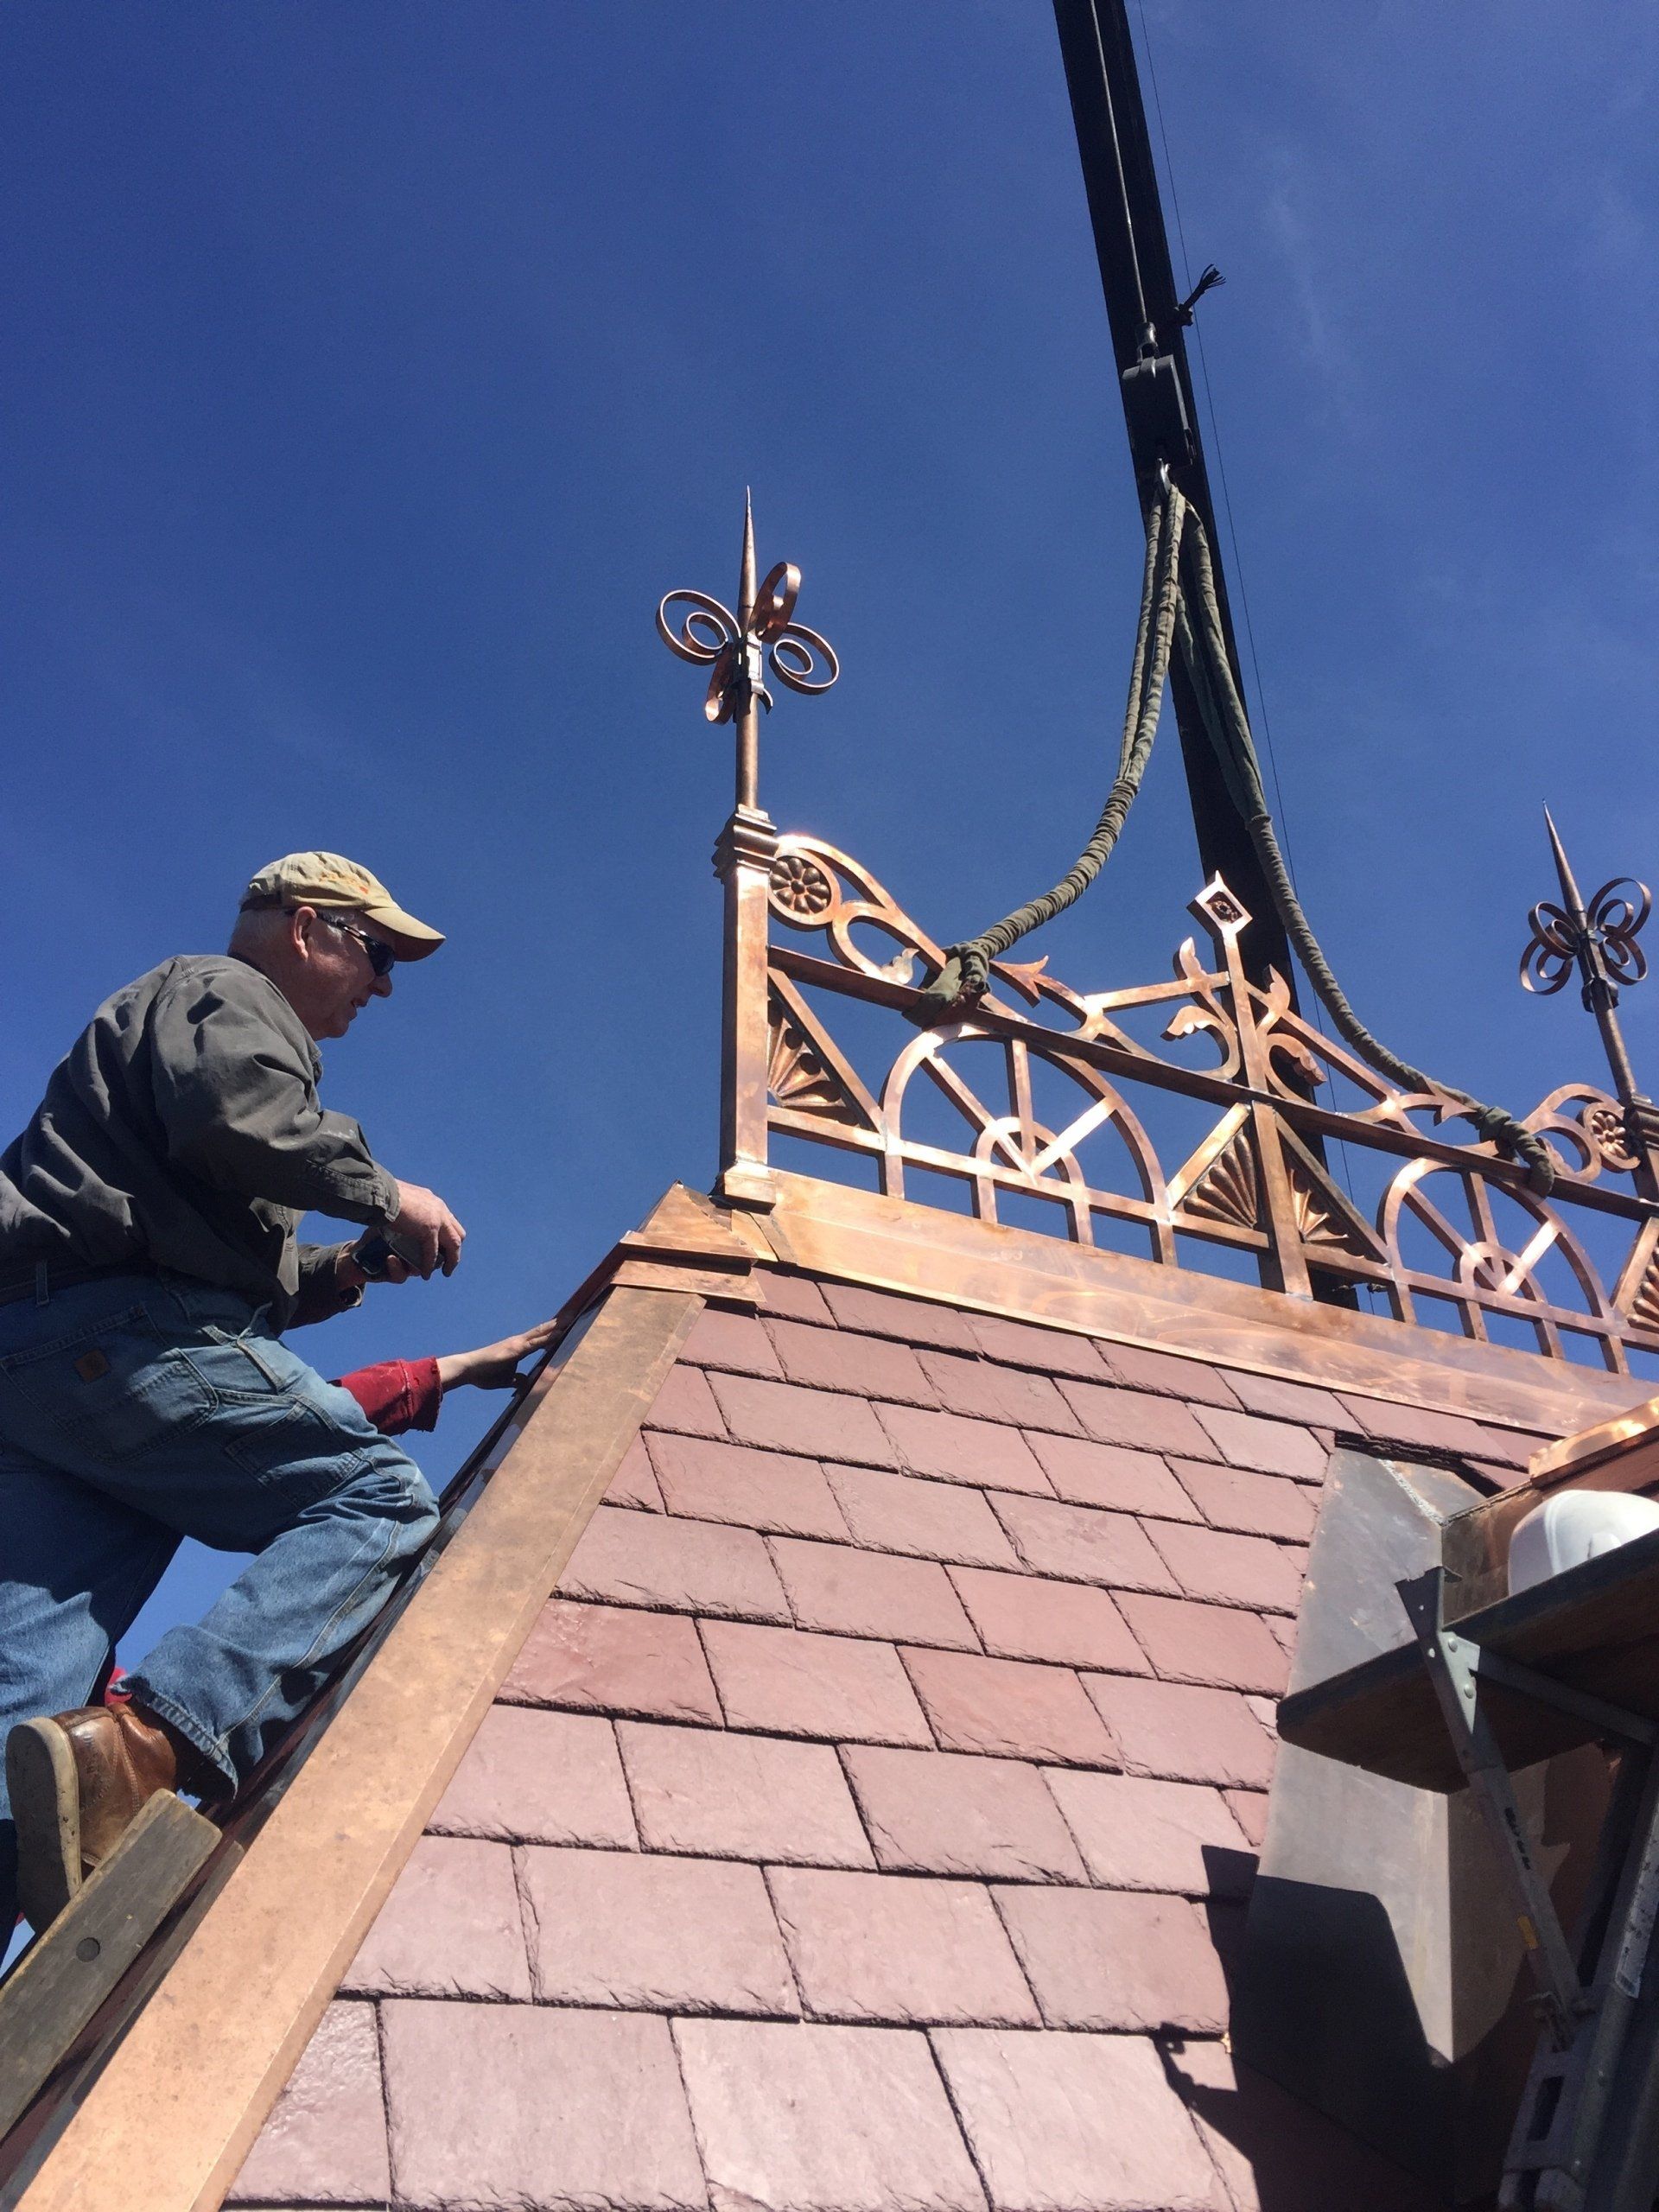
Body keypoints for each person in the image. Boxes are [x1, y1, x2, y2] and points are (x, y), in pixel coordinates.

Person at [0, 851, 466, 1936]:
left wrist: (346, 1268)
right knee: (378, 1501)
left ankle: (49, 1836)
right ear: (310, 928)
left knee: (26, 1689)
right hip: (118, 1338)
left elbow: (219, 1250)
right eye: (379, 953)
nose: (383, 984)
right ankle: (151, 1748)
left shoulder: (179, 1020)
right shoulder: (230, 993)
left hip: (51, 1369)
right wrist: (387, 1193)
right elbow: (237, 1118)